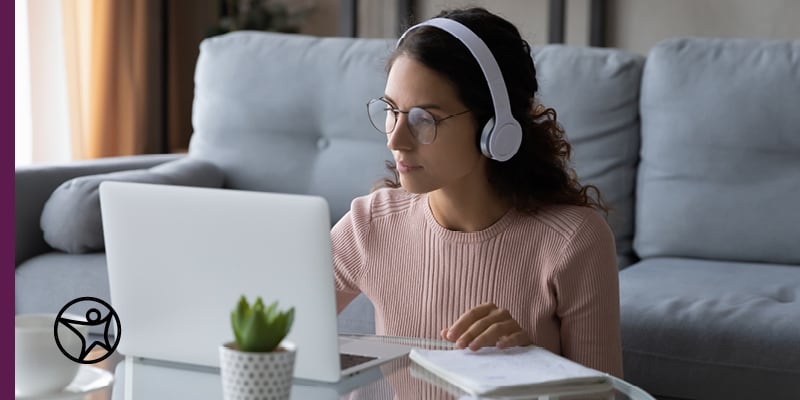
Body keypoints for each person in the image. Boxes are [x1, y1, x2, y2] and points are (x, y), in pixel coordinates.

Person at [332, 7, 623, 378]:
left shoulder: (573, 241)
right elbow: (273, 324)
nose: (395, 139)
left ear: (495, 129)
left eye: (424, 118)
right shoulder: (370, 223)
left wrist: (531, 366)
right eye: (392, 110)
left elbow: (604, 395)